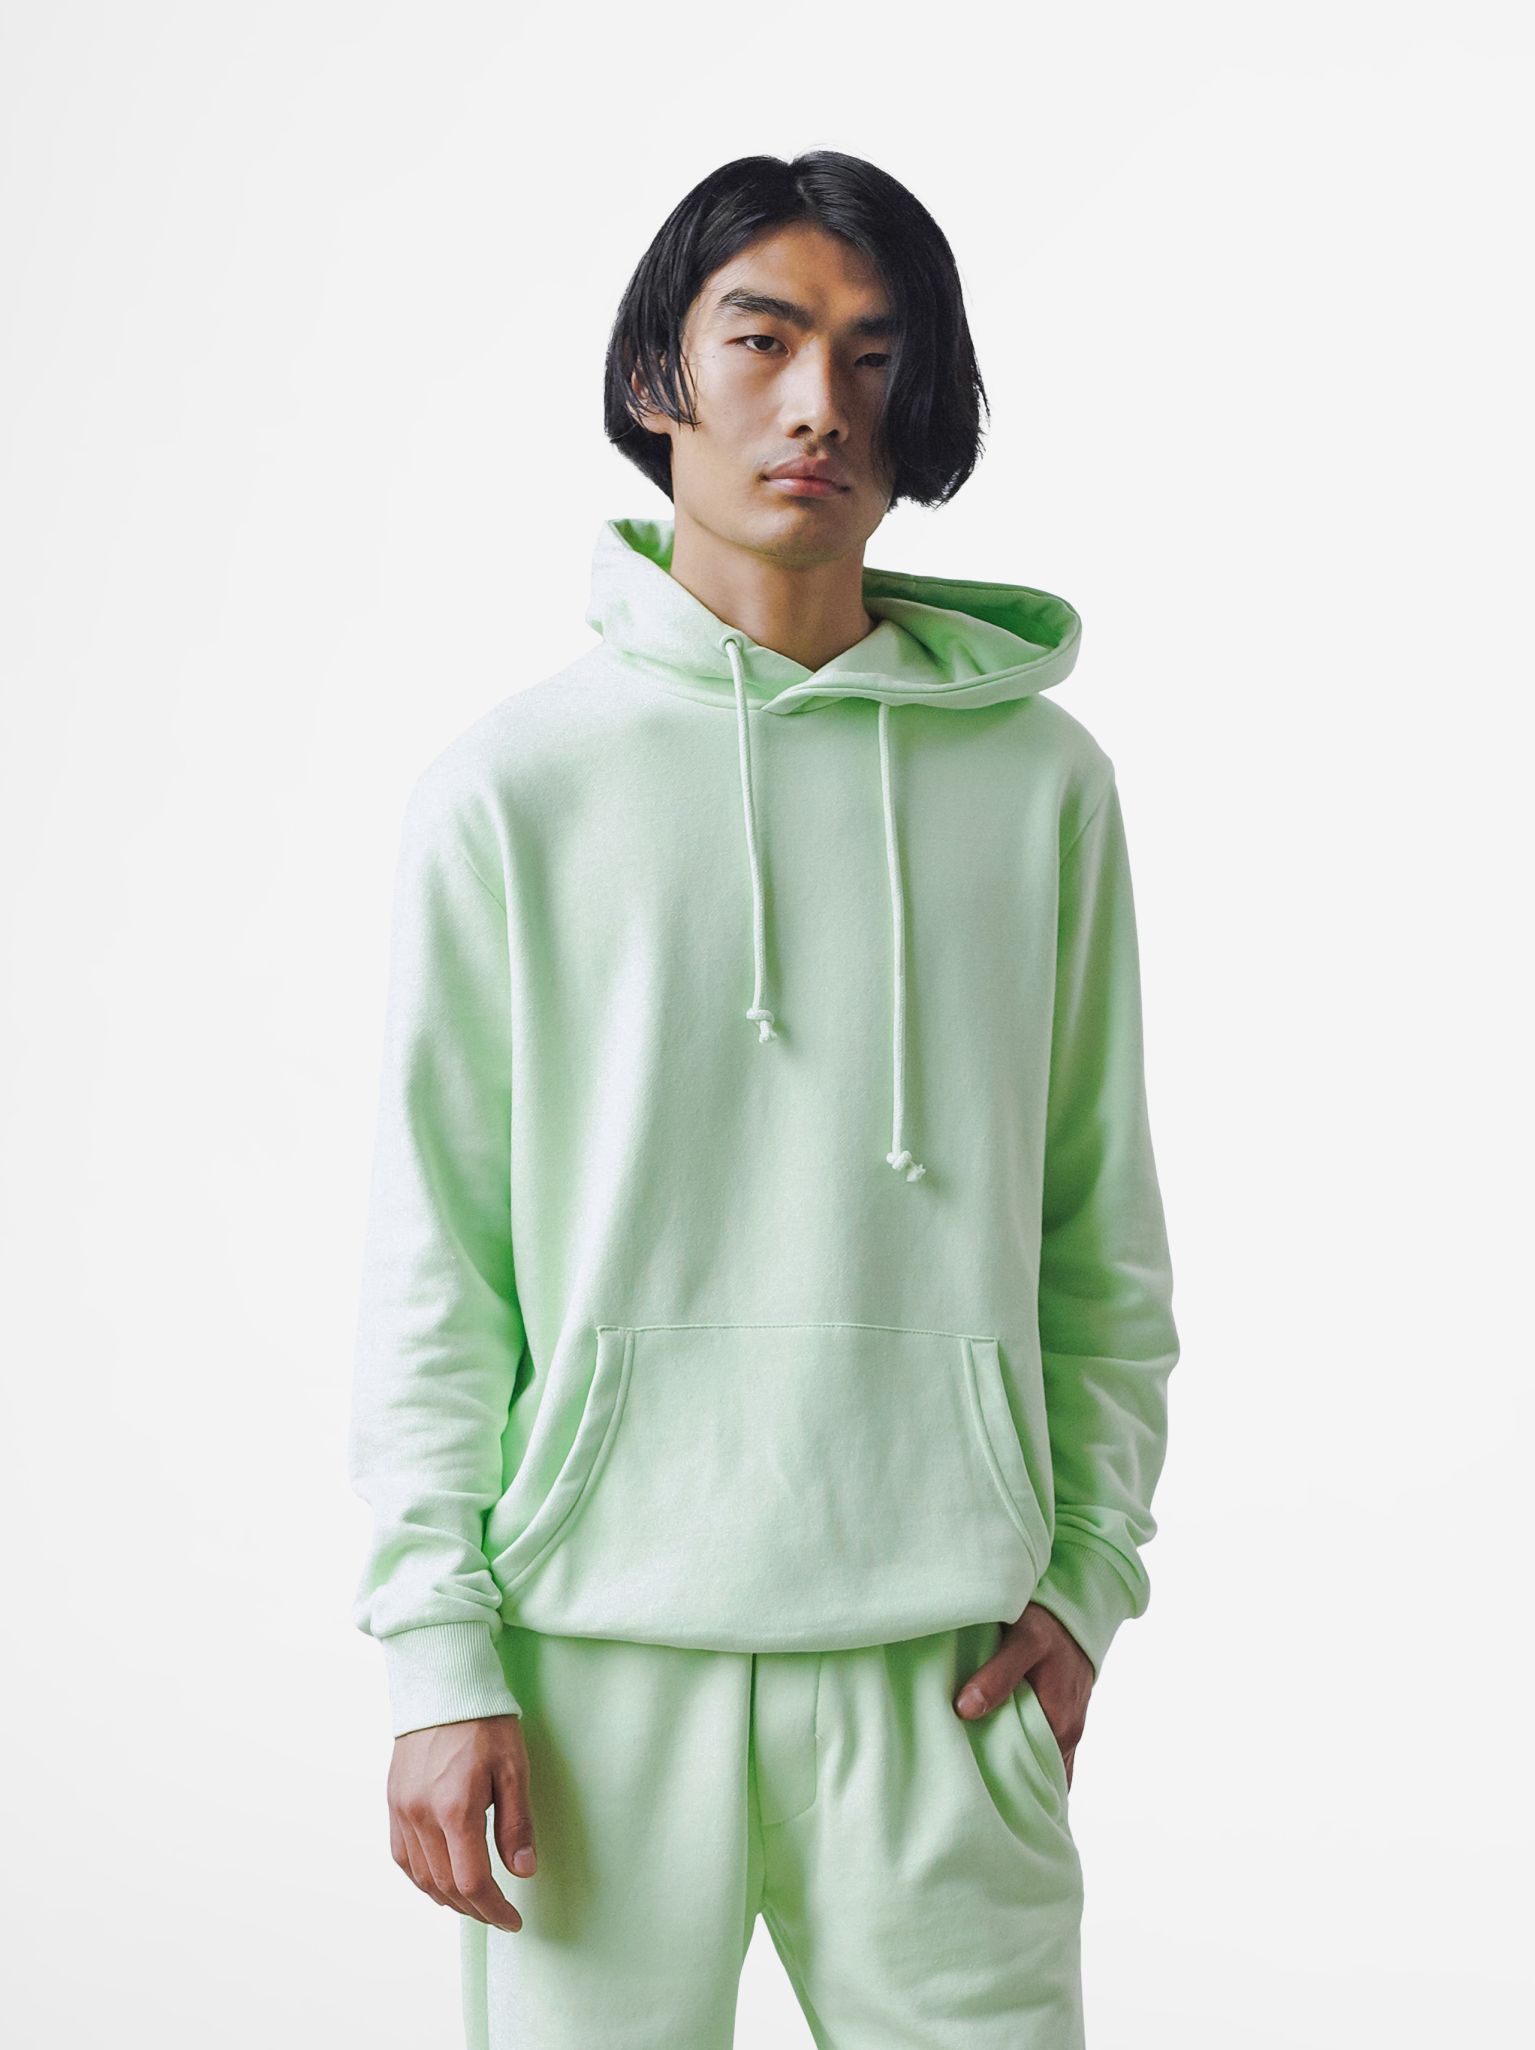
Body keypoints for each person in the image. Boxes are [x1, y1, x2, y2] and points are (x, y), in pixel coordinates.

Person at [347, 148, 1180, 2050]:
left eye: (876, 356)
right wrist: (434, 1649)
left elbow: (1099, 1224)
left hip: (943, 1663)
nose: (822, 404)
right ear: (661, 374)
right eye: (765, 339)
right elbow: (437, 1256)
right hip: (588, 1662)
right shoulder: (513, 790)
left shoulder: (1042, 787)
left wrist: (1088, 1578)